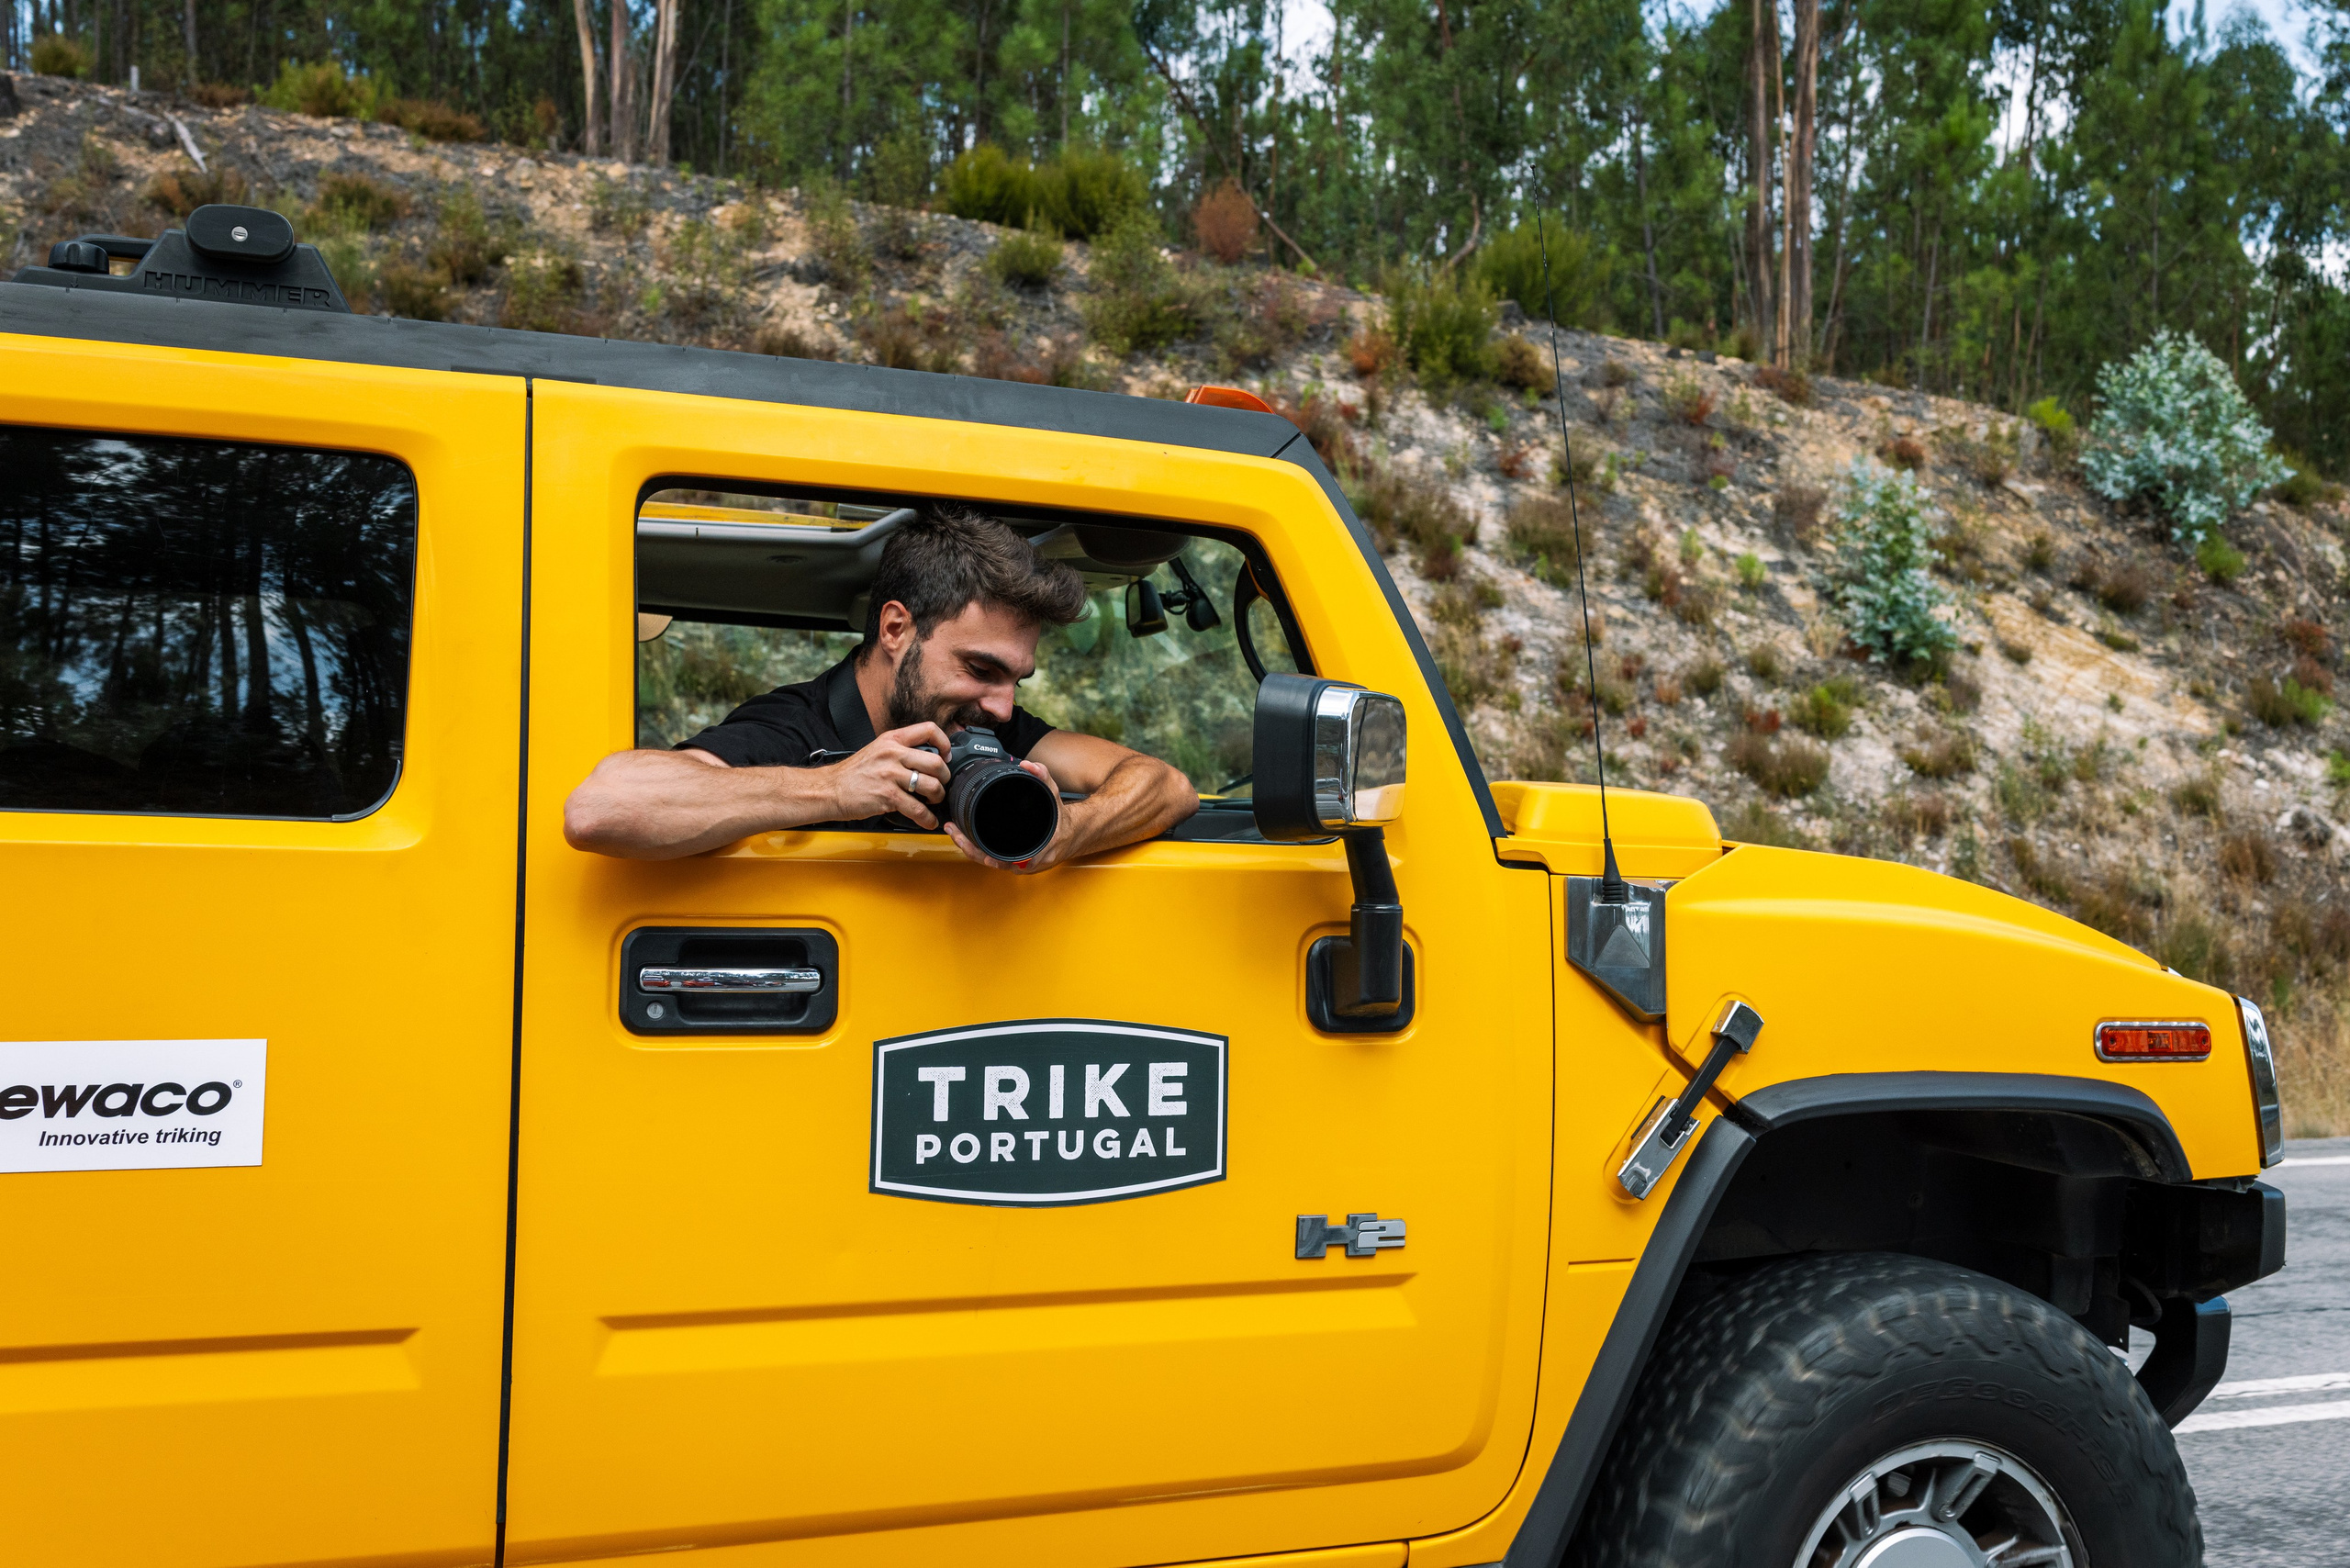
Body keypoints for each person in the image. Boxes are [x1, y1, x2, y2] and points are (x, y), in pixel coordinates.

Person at [565, 504, 1199, 871]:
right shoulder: (796, 729)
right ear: (897, 628)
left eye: (1014, 678)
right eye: (981, 669)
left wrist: (1070, 832)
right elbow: (602, 809)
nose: (1003, 705)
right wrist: (834, 787)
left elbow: (1166, 786)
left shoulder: (982, 727)